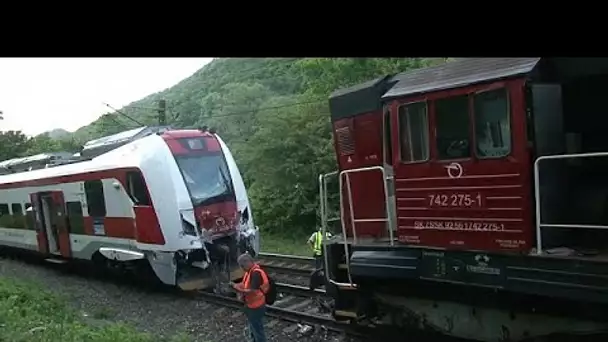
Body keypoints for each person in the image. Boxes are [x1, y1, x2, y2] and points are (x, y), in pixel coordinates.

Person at [232, 253, 268, 342]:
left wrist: (238, 290)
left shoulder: (256, 273)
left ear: (248, 262)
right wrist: (236, 285)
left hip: (256, 306)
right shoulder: (250, 272)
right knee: (253, 327)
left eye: (242, 266)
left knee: (258, 330)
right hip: (252, 305)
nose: (242, 268)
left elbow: (252, 291)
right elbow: (245, 284)